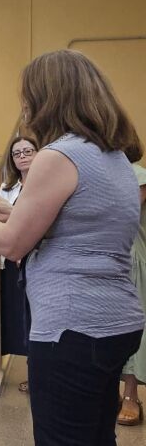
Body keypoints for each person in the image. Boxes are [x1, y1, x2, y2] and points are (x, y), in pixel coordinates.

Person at [0, 50, 144, 446]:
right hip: (115, 320)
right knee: (98, 437)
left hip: (72, 326)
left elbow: (12, 245)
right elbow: (79, 228)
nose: (25, 108)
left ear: (48, 97)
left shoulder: (58, 155)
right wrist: (11, 211)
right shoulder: (113, 156)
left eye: (28, 97)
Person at [0, 136, 39, 395]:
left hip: (38, 260)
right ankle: (33, 373)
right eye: (17, 153)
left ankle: (41, 375)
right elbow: (1, 223)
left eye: (27, 151)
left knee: (39, 318)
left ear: (38, 153)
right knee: (23, 319)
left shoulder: (46, 184)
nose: (22, 156)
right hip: (13, 261)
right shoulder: (7, 188)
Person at [121, 161, 146, 425]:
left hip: (133, 261)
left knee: (133, 329)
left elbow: (124, 213)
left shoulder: (138, 175)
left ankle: (131, 394)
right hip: (104, 260)